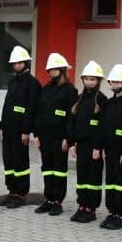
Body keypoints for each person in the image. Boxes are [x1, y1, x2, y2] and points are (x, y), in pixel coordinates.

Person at [33, 53, 78, 216]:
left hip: (60, 138)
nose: (52, 72)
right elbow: (38, 112)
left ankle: (58, 201)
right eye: (50, 69)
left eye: (55, 69)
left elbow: (71, 118)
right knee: (47, 168)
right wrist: (36, 135)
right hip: (45, 136)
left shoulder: (70, 91)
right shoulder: (46, 89)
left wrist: (68, 139)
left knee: (59, 169)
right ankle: (49, 199)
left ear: (62, 70)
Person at [0, 46, 41, 209]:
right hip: (8, 130)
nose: (16, 65)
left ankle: (21, 194)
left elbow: (31, 109)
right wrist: (2, 127)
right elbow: (6, 106)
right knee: (8, 161)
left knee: (20, 162)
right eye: (14, 63)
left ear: (26, 63)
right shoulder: (13, 81)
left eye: (19, 63)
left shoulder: (33, 83)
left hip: (20, 131)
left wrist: (26, 131)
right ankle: (12, 191)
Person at [68, 61, 107, 223]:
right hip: (81, 145)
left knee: (93, 178)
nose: (90, 82)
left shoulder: (102, 100)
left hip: (94, 147)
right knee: (82, 177)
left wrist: (98, 147)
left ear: (98, 81)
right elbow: (74, 122)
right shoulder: (80, 99)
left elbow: (103, 126)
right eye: (87, 79)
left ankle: (91, 209)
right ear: (83, 80)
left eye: (93, 79)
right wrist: (72, 143)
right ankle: (82, 206)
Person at [100, 64, 122, 230]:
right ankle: (112, 212)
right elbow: (103, 126)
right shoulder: (108, 103)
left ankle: (120, 215)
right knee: (110, 182)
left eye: (117, 81)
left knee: (121, 184)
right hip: (109, 150)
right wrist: (102, 148)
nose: (114, 84)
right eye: (112, 81)